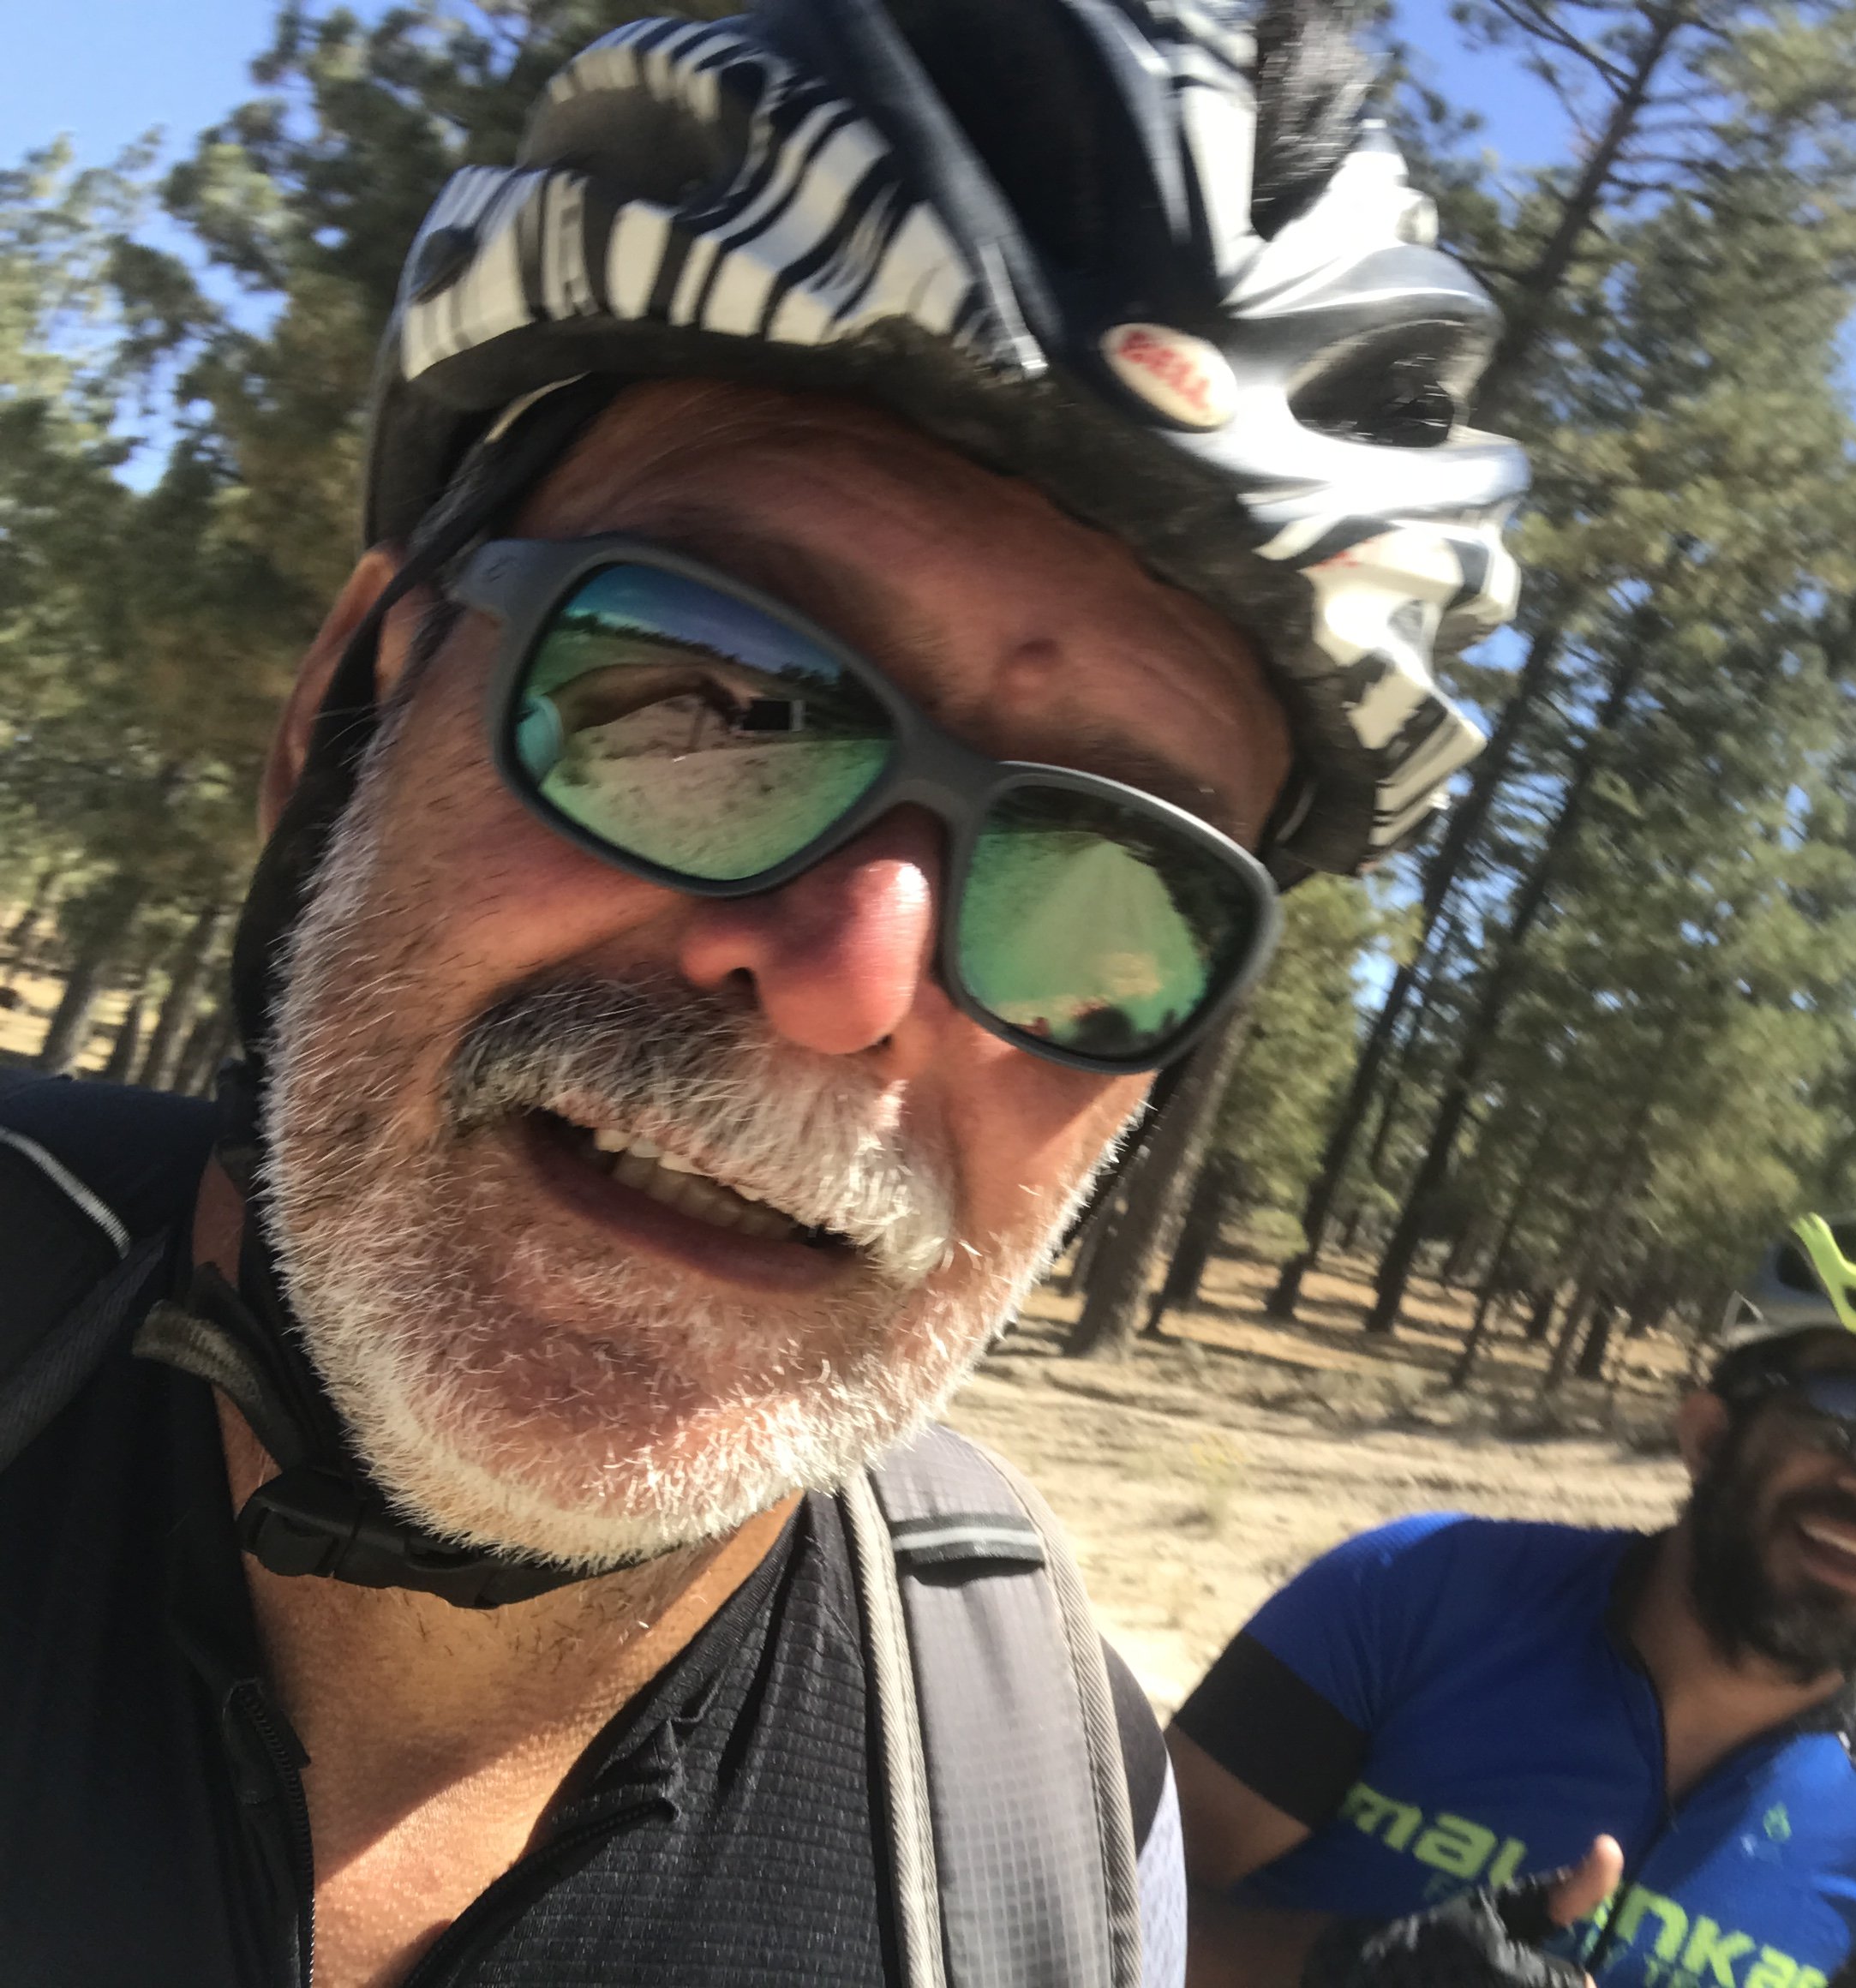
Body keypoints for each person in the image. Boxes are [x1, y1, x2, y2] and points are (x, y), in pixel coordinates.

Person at [0, 1, 1528, 1981]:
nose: (844, 984)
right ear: (347, 710)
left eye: (1098, 879)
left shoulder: (1048, 1828)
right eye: (708, 700)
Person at [1170, 1196, 1856, 1988]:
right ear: (1709, 1435)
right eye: (1853, 1414)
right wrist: (1344, 1967)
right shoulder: (1413, 1594)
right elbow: (1100, 1904)